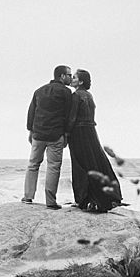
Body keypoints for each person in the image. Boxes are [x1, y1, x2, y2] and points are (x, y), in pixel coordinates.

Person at [66, 69, 122, 212]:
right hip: (91, 132)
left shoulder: (76, 95)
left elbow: (72, 117)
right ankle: (105, 196)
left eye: (75, 77)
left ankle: (85, 199)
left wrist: (66, 133)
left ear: (81, 81)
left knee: (80, 164)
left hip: (79, 132)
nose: (72, 79)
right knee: (95, 161)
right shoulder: (89, 96)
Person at [24, 65, 74, 210]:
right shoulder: (66, 93)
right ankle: (50, 201)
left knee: (33, 164)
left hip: (38, 134)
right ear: (62, 76)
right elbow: (68, 116)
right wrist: (67, 134)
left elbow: (31, 112)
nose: (71, 78)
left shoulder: (39, 91)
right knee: (53, 167)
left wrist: (30, 131)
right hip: (55, 135)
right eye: (69, 75)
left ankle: (28, 196)